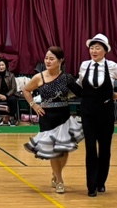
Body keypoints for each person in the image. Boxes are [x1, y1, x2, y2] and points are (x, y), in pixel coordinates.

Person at [75, 34, 117, 197]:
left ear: (105, 51)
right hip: (87, 111)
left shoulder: (112, 66)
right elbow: (80, 84)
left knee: (105, 148)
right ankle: (91, 185)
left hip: (105, 112)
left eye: (98, 48)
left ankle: (101, 182)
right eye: (92, 48)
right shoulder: (84, 65)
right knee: (90, 148)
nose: (94, 51)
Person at [21, 46, 78, 194]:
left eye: (51, 58)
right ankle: (59, 180)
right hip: (47, 118)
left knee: (64, 150)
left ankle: (56, 173)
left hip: (63, 116)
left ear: (60, 61)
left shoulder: (67, 78)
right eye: (46, 58)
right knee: (54, 150)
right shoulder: (39, 77)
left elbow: (80, 93)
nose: (48, 61)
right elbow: (26, 90)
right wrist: (34, 105)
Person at [0, 58, 18, 125]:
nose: (1, 67)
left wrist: (6, 95)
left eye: (2, 65)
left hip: (9, 94)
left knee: (13, 99)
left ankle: (12, 118)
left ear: (6, 66)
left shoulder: (11, 75)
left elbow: (13, 88)